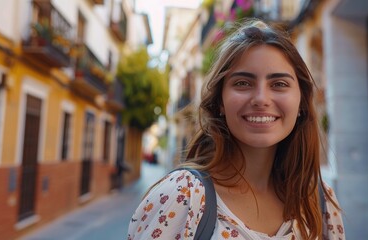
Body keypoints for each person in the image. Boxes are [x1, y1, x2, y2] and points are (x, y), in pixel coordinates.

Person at [127, 19, 345, 240]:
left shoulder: (319, 200)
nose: (261, 99)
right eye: (243, 83)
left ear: (301, 102)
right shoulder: (182, 196)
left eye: (279, 84)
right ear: (220, 102)